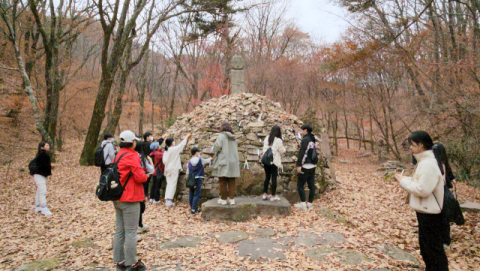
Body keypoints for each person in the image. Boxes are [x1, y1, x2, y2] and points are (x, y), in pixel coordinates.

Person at [395, 131, 448, 271]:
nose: (411, 148)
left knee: (433, 250)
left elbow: (423, 190)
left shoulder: (428, 164)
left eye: (412, 145)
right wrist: (405, 179)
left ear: (421, 145)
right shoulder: (424, 162)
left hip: (430, 213)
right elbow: (421, 184)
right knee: (427, 248)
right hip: (425, 211)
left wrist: (402, 182)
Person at [113, 130, 149, 271]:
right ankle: (132, 263)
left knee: (119, 231)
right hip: (130, 198)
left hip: (118, 196)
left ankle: (120, 261)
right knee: (131, 232)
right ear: (132, 142)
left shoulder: (118, 154)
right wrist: (146, 176)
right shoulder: (131, 156)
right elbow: (139, 177)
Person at [432, 142, 456, 249]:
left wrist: (451, 178)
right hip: (436, 192)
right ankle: (441, 239)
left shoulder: (442, 163)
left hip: (442, 191)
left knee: (443, 217)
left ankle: (445, 240)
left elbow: (447, 169)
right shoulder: (433, 163)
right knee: (439, 217)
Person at [212, 122, 240, 205]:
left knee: (222, 181)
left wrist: (215, 151)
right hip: (233, 162)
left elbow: (217, 146)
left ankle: (223, 199)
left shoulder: (221, 136)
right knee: (232, 181)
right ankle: (231, 199)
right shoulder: (234, 138)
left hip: (223, 161)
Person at [163, 134, 191, 207]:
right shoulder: (174, 149)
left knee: (169, 184)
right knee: (173, 184)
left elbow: (164, 161)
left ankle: (167, 199)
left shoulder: (166, 150)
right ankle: (169, 200)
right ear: (172, 143)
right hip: (174, 168)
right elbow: (181, 145)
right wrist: (186, 137)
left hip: (167, 169)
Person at [294, 124, 317, 210]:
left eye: (302, 130)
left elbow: (302, 153)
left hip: (306, 165)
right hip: (313, 165)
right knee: (311, 185)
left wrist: (299, 165)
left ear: (306, 130)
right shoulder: (313, 139)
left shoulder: (305, 140)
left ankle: (303, 203)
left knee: (300, 184)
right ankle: (310, 203)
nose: (302, 132)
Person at [262, 125, 286, 201]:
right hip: (274, 161)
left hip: (266, 160)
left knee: (267, 177)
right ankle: (273, 196)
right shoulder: (278, 140)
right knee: (274, 178)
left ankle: (264, 194)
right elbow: (282, 151)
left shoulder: (267, 138)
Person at [186, 147, 212, 214]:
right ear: (197, 153)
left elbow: (187, 172)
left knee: (191, 193)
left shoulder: (189, 162)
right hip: (198, 178)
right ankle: (194, 208)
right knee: (197, 194)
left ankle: (192, 207)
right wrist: (210, 159)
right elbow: (206, 161)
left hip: (191, 179)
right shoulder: (200, 160)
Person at [33, 142, 52, 216]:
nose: (48, 146)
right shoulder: (43, 155)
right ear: (42, 147)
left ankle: (37, 207)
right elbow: (44, 166)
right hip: (40, 174)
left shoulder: (41, 155)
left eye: (48, 145)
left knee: (39, 190)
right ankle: (44, 208)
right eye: (46, 145)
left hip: (40, 174)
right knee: (43, 191)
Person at [149, 135, 167, 204]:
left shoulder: (152, 153)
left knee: (153, 184)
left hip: (153, 171)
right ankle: (156, 199)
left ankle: (151, 197)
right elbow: (164, 155)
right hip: (158, 171)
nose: (160, 146)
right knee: (157, 185)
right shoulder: (158, 154)